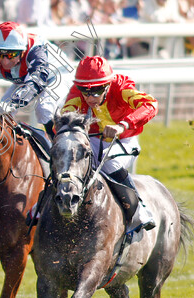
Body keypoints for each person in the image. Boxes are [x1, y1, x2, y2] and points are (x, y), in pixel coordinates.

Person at [60, 55, 157, 232]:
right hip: (94, 141)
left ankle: (139, 210)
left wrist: (123, 125)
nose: (89, 97)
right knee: (66, 160)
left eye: (96, 90)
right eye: (84, 90)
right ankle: (40, 209)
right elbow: (66, 115)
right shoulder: (76, 92)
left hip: (124, 141)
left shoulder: (121, 87)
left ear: (107, 85)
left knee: (107, 161)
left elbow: (150, 105)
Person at [0, 21, 69, 139]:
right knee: (0, 113)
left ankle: (58, 146)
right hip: (26, 80)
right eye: (0, 54)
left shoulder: (36, 49)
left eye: (11, 54)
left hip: (57, 77)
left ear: (23, 50)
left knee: (44, 109)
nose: (5, 61)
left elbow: (37, 82)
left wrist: (14, 102)